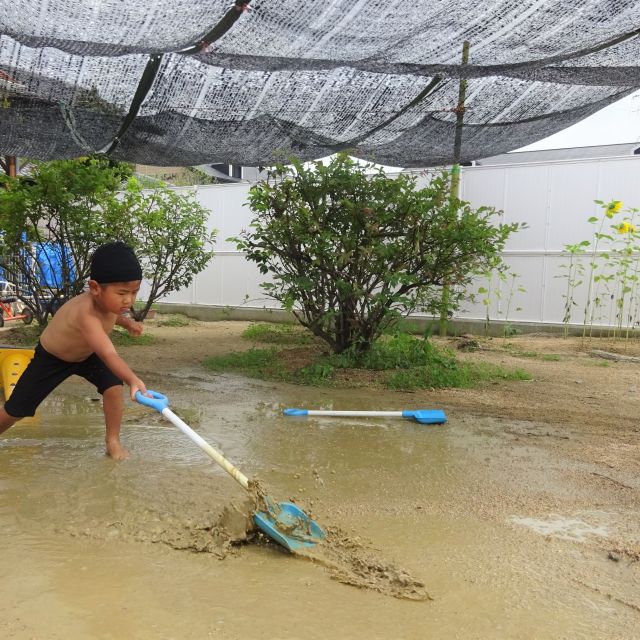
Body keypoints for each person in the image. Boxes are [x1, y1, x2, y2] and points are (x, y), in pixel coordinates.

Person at [0, 241, 148, 460]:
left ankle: (113, 442)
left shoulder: (109, 303)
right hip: (52, 359)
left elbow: (112, 315)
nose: (129, 300)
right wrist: (133, 379)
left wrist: (127, 324)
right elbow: (109, 354)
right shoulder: (85, 314)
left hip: (86, 355)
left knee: (113, 386)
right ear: (95, 288)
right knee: (17, 409)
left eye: (134, 292)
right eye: (122, 293)